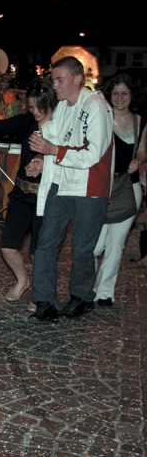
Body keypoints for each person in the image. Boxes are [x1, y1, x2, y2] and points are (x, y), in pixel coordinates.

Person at [28, 56, 114, 323]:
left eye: (59, 79)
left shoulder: (97, 106)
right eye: (53, 80)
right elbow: (53, 135)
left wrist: (52, 150)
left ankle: (81, 296)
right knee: (46, 242)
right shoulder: (64, 106)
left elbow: (93, 153)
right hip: (61, 184)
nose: (55, 85)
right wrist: (41, 158)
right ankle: (44, 300)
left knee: (82, 248)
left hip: (90, 187)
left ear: (78, 79)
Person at [0, 79, 57, 302]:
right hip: (22, 193)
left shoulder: (61, 125)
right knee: (8, 247)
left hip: (47, 197)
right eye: (32, 106)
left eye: (40, 107)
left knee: (39, 252)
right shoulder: (28, 121)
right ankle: (22, 280)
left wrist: (45, 164)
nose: (35, 112)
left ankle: (40, 295)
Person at [92, 74, 146, 307]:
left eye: (125, 93)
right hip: (101, 187)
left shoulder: (140, 121)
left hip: (128, 188)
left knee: (117, 243)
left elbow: (143, 150)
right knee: (94, 246)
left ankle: (104, 293)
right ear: (109, 95)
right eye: (115, 93)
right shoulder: (101, 118)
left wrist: (139, 161)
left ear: (132, 96)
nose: (120, 97)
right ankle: (91, 285)